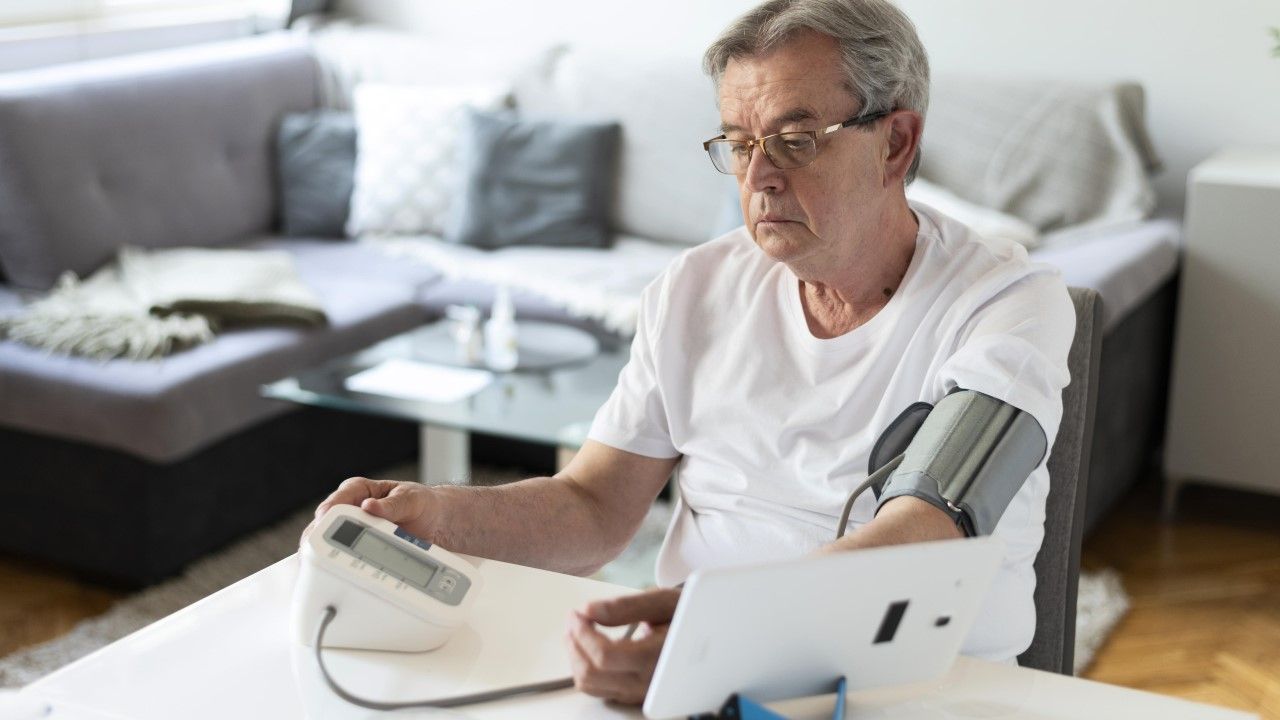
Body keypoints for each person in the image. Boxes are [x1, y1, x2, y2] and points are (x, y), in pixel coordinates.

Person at [306, 0, 1073, 705]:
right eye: (740, 146)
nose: (760, 178)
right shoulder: (695, 289)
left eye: (795, 142)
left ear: (896, 143)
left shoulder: (1007, 304)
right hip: (694, 679)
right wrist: (437, 515)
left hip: (917, 688)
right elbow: (596, 506)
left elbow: (925, 532)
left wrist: (722, 639)